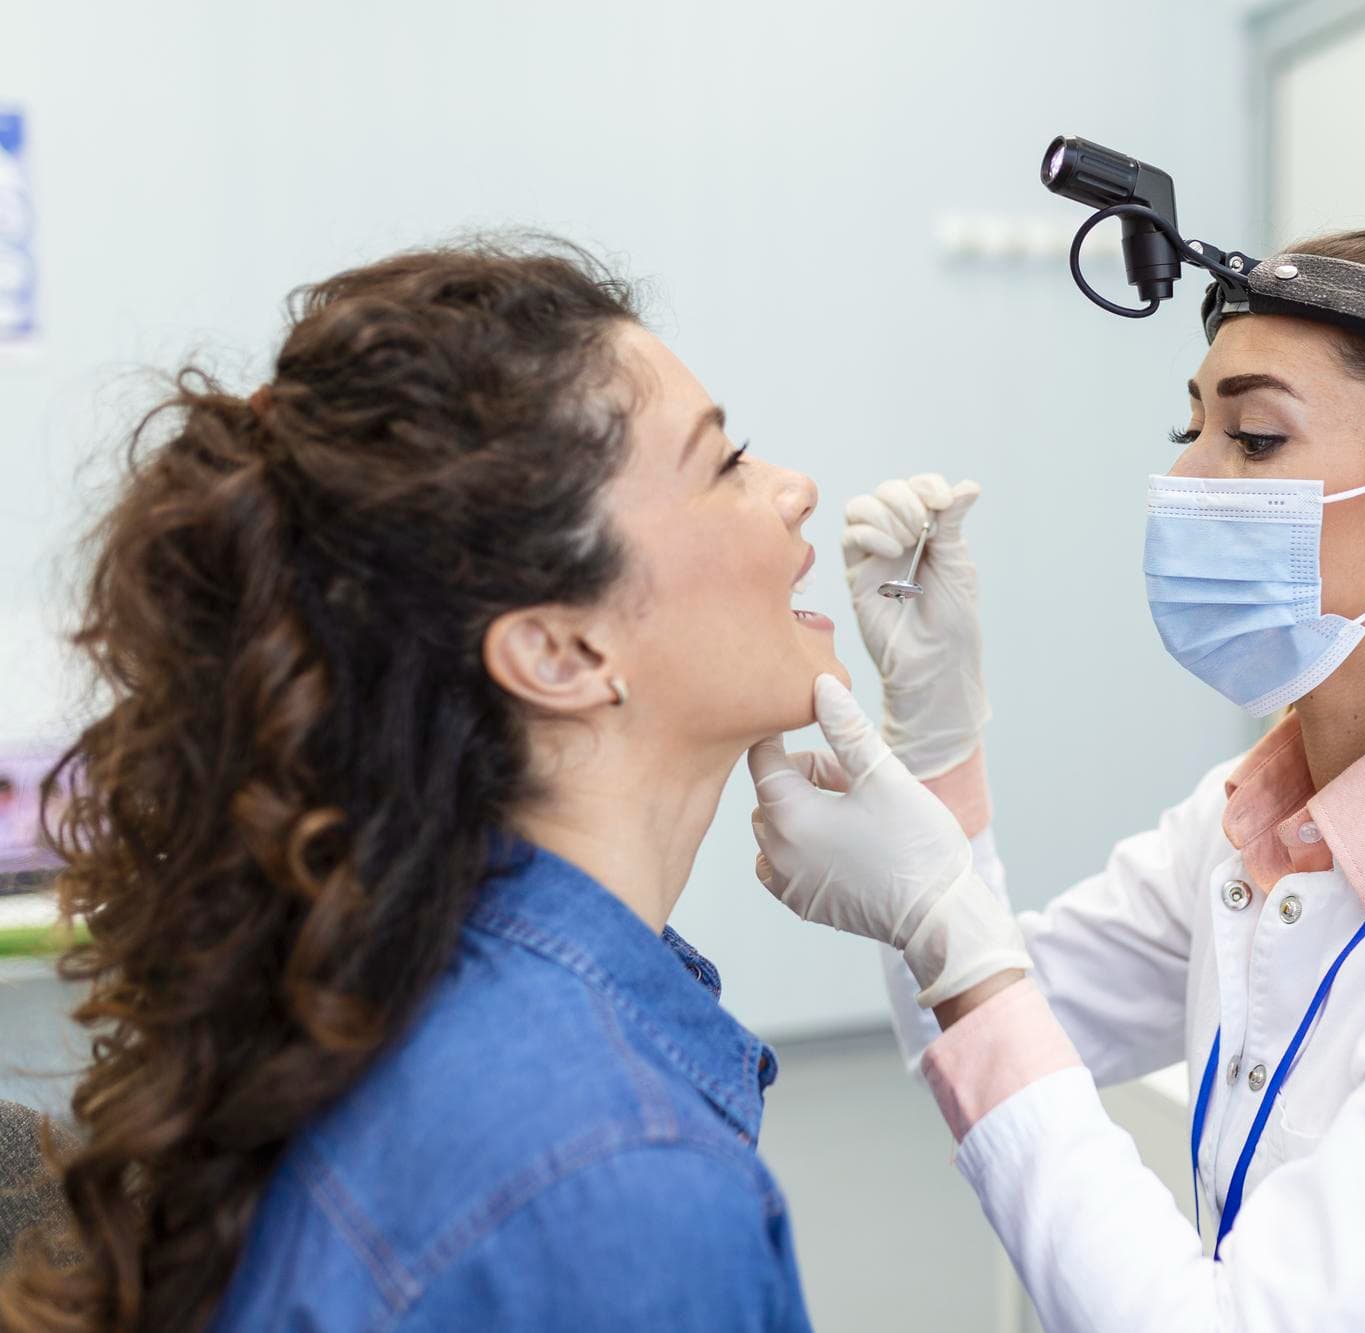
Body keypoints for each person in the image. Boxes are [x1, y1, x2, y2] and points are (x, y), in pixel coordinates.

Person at [750, 225, 1365, 1329]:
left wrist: (944, 916)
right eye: (1188, 427)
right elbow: (983, 1019)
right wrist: (938, 746)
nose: (1183, 479)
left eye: (1252, 438)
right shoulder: (1265, 816)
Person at [0, 240, 833, 1332]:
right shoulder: (614, 1179)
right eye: (727, 463)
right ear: (560, 652)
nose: (796, 491)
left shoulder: (381, 982)